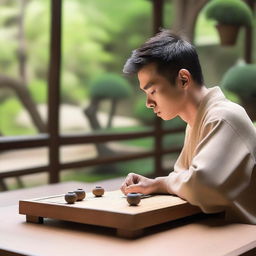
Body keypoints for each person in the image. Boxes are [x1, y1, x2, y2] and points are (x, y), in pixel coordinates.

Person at [120, 29, 256, 224]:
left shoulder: (223, 117)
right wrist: (154, 184)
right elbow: (184, 177)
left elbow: (202, 186)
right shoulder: (196, 122)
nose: (148, 103)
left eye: (153, 91)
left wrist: (162, 183)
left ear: (183, 79)